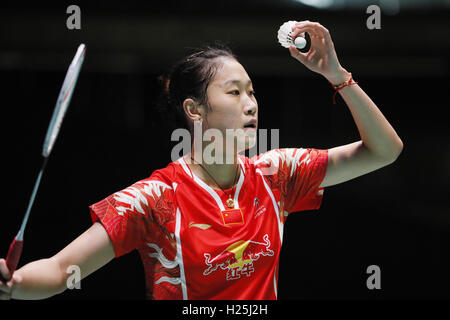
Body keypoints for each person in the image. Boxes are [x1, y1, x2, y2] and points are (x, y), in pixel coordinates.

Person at [0, 21, 403, 300]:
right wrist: (13, 283)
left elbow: (385, 150)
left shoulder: (277, 175)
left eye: (252, 92)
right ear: (195, 110)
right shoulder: (154, 200)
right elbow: (58, 271)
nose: (251, 105)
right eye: (234, 93)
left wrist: (337, 75)